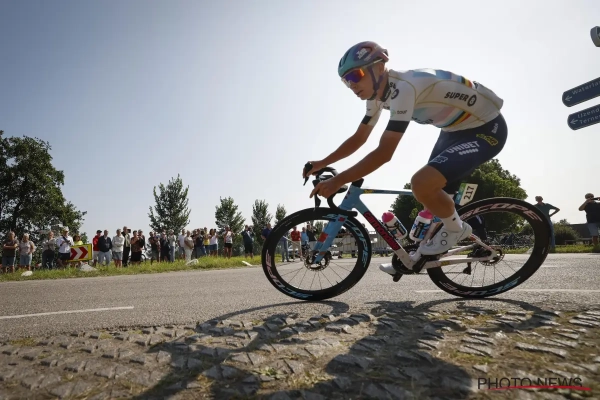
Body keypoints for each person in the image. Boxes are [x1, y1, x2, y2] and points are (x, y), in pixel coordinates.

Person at [304, 41, 507, 276]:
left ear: (379, 67)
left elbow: (384, 153)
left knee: (422, 184)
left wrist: (339, 180)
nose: (351, 85)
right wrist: (321, 163)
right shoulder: (376, 97)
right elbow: (360, 138)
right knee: (429, 202)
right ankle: (414, 258)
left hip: (486, 128)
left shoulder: (404, 88)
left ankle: (457, 230)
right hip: (453, 131)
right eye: (345, 81)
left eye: (355, 75)